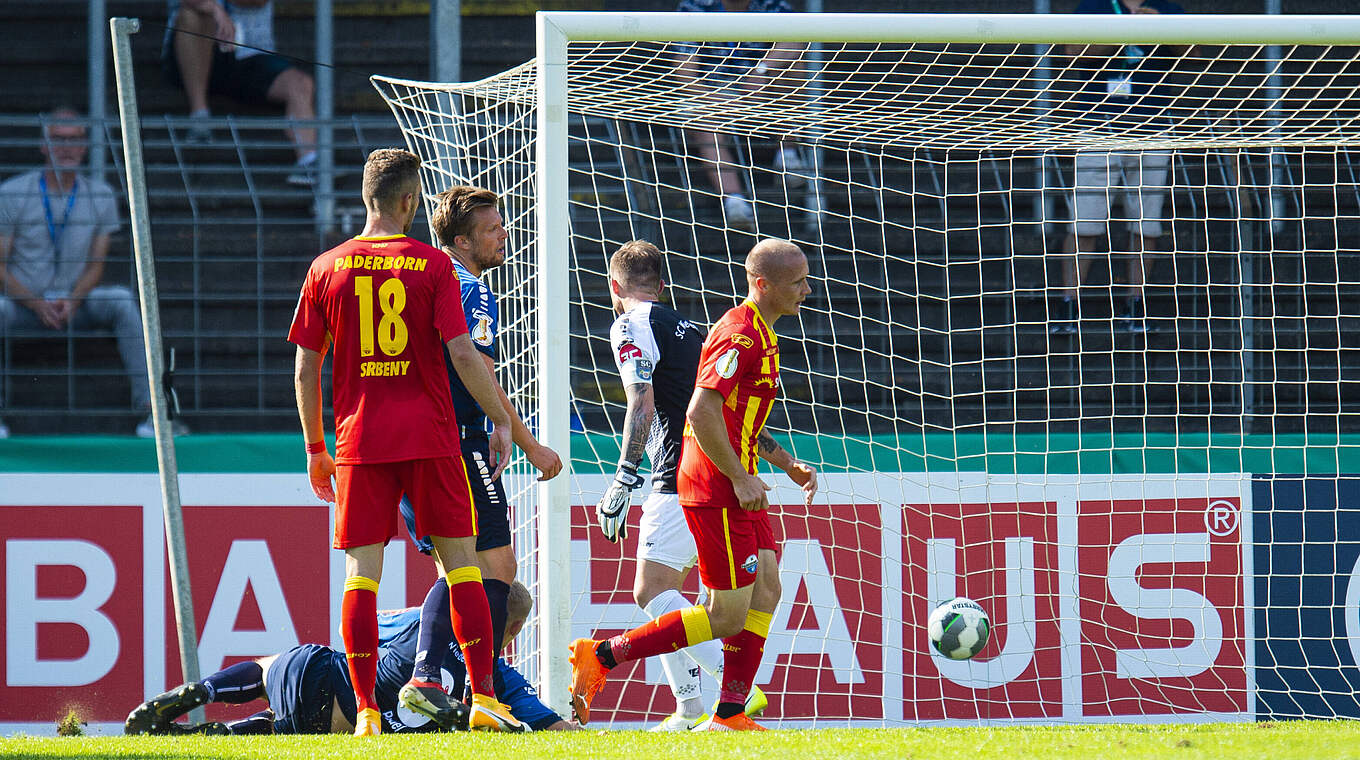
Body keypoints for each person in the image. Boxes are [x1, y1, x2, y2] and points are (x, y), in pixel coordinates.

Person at [288, 147, 522, 735]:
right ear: (410, 201)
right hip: (433, 437)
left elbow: (305, 367)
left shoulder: (326, 267)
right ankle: (485, 700)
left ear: (367, 198)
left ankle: (368, 710)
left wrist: (316, 449)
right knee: (463, 567)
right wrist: (501, 419)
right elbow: (464, 354)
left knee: (362, 574)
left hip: (360, 441)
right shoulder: (434, 266)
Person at [569, 238, 818, 731]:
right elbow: (694, 410)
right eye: (799, 282)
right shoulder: (731, 334)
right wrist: (626, 478)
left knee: (765, 588)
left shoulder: (759, 334)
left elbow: (728, 413)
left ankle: (726, 713)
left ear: (615, 287)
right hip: (711, 477)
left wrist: (785, 463)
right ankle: (602, 656)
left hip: (733, 474)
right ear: (763, 284)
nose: (808, 291)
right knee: (714, 611)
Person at [394, 186, 562, 729]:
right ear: (461, 241)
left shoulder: (415, 282)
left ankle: (457, 687)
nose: (504, 235)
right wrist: (520, 436)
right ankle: (455, 683)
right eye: (493, 230)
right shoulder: (469, 288)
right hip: (454, 439)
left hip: (403, 441)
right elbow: (475, 365)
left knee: (461, 562)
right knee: (491, 565)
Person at [595, 240, 766, 730]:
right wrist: (783, 460)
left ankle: (733, 687)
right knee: (667, 591)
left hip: (677, 477)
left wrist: (624, 479)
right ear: (663, 285)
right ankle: (692, 704)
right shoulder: (693, 331)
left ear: (614, 287)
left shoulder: (630, 323)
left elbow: (641, 402)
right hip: (713, 475)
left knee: (652, 591)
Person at [123, 580, 576, 735]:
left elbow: (361, 628)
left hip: (319, 674)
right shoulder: (500, 680)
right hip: (330, 722)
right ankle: (213, 734)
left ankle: (198, 691)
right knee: (282, 729)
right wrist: (575, 724)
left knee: (271, 668)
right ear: (513, 630)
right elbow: (553, 729)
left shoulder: (428, 622)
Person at [0, 108, 173, 439]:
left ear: (85, 147)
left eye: (75, 139)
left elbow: (97, 265)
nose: (67, 148)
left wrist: (74, 298)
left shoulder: (100, 194)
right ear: (43, 144)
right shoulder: (12, 192)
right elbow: (0, 266)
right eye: (59, 139)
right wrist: (35, 303)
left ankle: (154, 412)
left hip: (75, 301)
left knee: (121, 300)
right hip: (24, 303)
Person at [1051, 0, 1186, 334]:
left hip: (1152, 128)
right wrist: (1122, 32)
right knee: (1084, 222)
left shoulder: (1166, 7)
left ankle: (1134, 305)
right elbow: (1073, 52)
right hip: (1099, 127)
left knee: (1146, 224)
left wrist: (1160, 28)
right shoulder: (1093, 6)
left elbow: (1193, 53)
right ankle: (1069, 305)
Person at [673, 0, 815, 229]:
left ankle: (788, 156)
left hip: (764, 83)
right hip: (715, 90)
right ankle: (734, 202)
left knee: (796, 67)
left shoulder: (771, 4)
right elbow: (684, 71)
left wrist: (761, 71)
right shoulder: (694, 7)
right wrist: (712, 100)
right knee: (699, 115)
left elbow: (794, 39)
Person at [162, 0, 318, 185]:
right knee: (193, 14)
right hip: (191, 54)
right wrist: (214, 8)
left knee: (301, 84)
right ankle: (200, 116)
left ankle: (309, 163)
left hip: (250, 55)